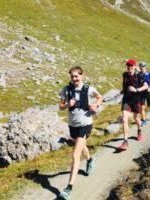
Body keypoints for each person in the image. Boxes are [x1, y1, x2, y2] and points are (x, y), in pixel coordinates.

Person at [59, 66, 103, 199]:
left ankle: (69, 188)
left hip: (85, 124)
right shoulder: (66, 90)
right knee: (81, 146)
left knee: (75, 155)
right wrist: (68, 104)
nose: (74, 79)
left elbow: (100, 97)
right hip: (73, 125)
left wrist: (96, 105)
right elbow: (60, 107)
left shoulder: (88, 89)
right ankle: (90, 159)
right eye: (72, 77)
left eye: (76, 76)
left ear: (82, 75)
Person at [119, 59, 148, 150]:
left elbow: (146, 86)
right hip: (126, 100)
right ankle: (125, 141)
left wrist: (136, 90)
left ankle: (139, 130)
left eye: (131, 67)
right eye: (128, 67)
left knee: (136, 118)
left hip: (136, 100)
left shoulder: (139, 75)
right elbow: (125, 85)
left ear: (134, 67)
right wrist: (123, 90)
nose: (130, 68)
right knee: (124, 119)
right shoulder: (125, 75)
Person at [138, 62, 150, 126]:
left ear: (145, 67)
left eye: (143, 66)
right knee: (141, 108)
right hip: (141, 93)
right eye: (140, 66)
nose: (141, 68)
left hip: (148, 92)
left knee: (149, 107)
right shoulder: (138, 74)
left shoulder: (149, 74)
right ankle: (144, 120)